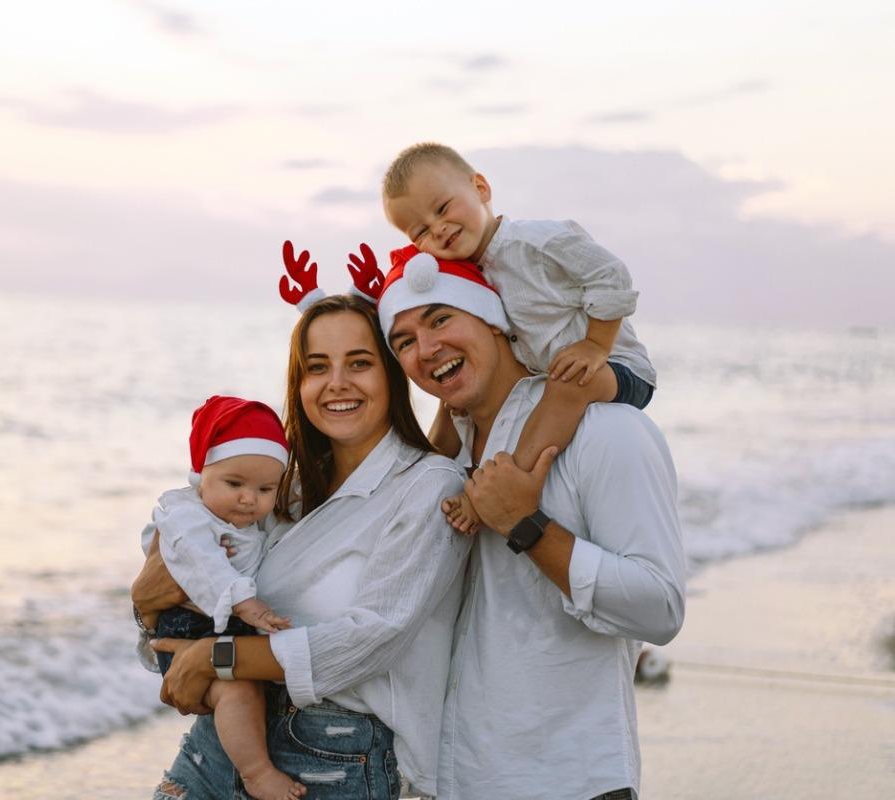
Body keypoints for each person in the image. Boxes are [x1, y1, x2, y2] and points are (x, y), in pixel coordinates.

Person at [134, 289, 472, 800]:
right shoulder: (278, 488)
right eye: (317, 367)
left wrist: (215, 657)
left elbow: (369, 641)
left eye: (359, 363)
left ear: (391, 373)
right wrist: (145, 607)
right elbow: (184, 586)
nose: (336, 384)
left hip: (337, 757)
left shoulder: (428, 488)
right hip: (220, 746)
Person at [378, 251, 686, 799]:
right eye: (403, 341)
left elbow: (659, 608)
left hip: (565, 779)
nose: (426, 350)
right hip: (445, 782)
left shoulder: (606, 429)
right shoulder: (439, 463)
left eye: (441, 318)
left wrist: (525, 525)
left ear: (493, 317)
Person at [382, 142, 657, 534]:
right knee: (462, 409)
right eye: (421, 230)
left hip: (618, 369)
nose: (438, 228)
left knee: (565, 387)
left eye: (442, 209)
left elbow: (610, 275)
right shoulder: (471, 274)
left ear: (480, 187)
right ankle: (410, 493)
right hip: (552, 377)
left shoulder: (536, 242)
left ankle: (502, 487)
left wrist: (595, 345)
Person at [138, 395, 304, 800]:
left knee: (249, 691)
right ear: (202, 474)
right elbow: (206, 568)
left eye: (265, 488)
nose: (250, 499)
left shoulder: (243, 514)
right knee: (238, 691)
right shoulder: (187, 517)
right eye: (235, 484)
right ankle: (256, 774)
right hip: (190, 627)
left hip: (225, 626)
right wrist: (248, 605)